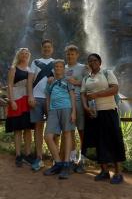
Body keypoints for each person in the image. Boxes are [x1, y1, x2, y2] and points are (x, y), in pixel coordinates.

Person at [81, 53, 126, 184]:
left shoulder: (107, 73)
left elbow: (115, 89)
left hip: (108, 111)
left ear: (100, 62)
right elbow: (83, 94)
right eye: (90, 61)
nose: (92, 62)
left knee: (114, 140)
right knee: (99, 142)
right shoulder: (86, 78)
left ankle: (118, 173)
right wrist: (85, 107)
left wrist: (97, 94)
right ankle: (104, 171)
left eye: (95, 60)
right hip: (93, 114)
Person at [44, 59, 76, 179]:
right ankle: (58, 163)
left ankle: (66, 164)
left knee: (67, 134)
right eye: (56, 66)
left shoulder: (67, 80)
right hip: (53, 110)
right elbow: (47, 96)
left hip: (67, 108)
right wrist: (48, 112)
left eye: (60, 66)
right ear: (54, 69)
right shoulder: (50, 81)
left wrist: (74, 112)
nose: (58, 68)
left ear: (63, 68)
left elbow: (72, 95)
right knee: (47, 136)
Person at [28, 39, 54, 171]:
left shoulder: (56, 63)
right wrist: (30, 96)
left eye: (49, 47)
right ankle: (39, 157)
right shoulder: (35, 62)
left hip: (51, 100)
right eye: (45, 47)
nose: (47, 49)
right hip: (37, 98)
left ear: (52, 49)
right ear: (41, 48)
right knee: (38, 127)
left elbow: (61, 80)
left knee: (54, 128)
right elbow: (30, 80)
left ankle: (55, 158)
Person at [6, 48, 34, 167]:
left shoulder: (30, 70)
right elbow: (10, 85)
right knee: (18, 129)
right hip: (16, 100)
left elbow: (30, 86)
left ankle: (27, 155)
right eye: (22, 53)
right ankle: (18, 155)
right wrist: (12, 101)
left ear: (29, 56)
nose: (24, 55)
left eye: (26, 53)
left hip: (26, 100)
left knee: (28, 129)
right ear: (19, 55)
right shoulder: (14, 68)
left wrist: (31, 99)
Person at [64, 45, 86, 173]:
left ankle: (82, 159)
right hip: (66, 103)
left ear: (77, 55)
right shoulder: (63, 68)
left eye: (72, 54)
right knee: (70, 132)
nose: (70, 56)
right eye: (68, 54)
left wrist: (76, 82)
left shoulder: (83, 68)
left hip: (78, 101)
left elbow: (89, 82)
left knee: (82, 131)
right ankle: (72, 159)